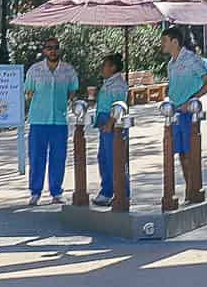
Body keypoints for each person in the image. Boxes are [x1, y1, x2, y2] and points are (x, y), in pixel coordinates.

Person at [23, 36, 79, 206]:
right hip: (39, 120)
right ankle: (35, 192)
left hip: (59, 121)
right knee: (36, 157)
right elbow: (29, 92)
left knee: (58, 157)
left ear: (59, 49)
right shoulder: (34, 70)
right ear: (44, 50)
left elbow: (72, 92)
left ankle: (56, 192)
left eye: (55, 47)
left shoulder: (68, 70)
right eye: (48, 47)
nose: (52, 50)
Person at [161, 26, 207, 184]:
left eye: (164, 41)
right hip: (175, 113)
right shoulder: (171, 64)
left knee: (190, 152)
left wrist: (192, 99)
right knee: (181, 154)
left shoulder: (191, 59)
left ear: (175, 42)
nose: (162, 44)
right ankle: (188, 188)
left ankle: (194, 190)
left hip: (189, 114)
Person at [92, 53, 130, 205]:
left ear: (113, 67)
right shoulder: (107, 82)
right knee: (104, 158)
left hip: (114, 125)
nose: (102, 68)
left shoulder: (118, 84)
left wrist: (110, 122)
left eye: (105, 65)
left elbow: (120, 104)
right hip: (104, 123)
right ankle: (107, 191)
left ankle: (123, 193)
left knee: (116, 159)